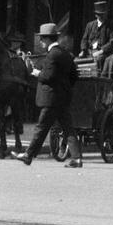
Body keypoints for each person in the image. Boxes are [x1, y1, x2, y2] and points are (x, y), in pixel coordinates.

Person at [15, 23, 82, 167]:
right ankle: (77, 158)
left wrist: (36, 73)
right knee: (68, 128)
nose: (40, 42)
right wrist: (64, 87)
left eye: (41, 39)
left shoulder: (52, 55)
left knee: (41, 127)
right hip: (63, 98)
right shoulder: (65, 53)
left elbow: (48, 76)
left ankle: (28, 155)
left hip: (51, 99)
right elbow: (74, 76)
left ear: (47, 39)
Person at [79, 0, 112, 69]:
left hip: (103, 53)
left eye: (103, 14)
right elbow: (84, 39)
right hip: (90, 51)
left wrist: (101, 51)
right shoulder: (90, 25)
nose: (101, 16)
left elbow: (111, 42)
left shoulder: (110, 26)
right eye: (99, 15)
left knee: (99, 60)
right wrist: (83, 50)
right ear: (96, 15)